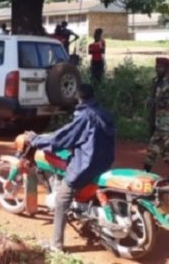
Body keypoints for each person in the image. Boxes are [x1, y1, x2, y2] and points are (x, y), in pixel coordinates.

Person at [27, 84, 115, 252]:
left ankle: (56, 245)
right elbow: (86, 137)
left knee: (61, 199)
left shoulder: (85, 116)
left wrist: (36, 139)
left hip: (86, 165)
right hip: (104, 161)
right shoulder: (103, 112)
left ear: (78, 97)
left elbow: (61, 139)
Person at [145, 57, 169, 172]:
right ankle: (145, 174)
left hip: (167, 124)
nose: (158, 69)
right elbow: (152, 98)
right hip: (158, 122)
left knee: (157, 151)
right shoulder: (156, 81)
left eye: (161, 67)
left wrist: (159, 101)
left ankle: (146, 172)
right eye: (157, 67)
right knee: (153, 151)